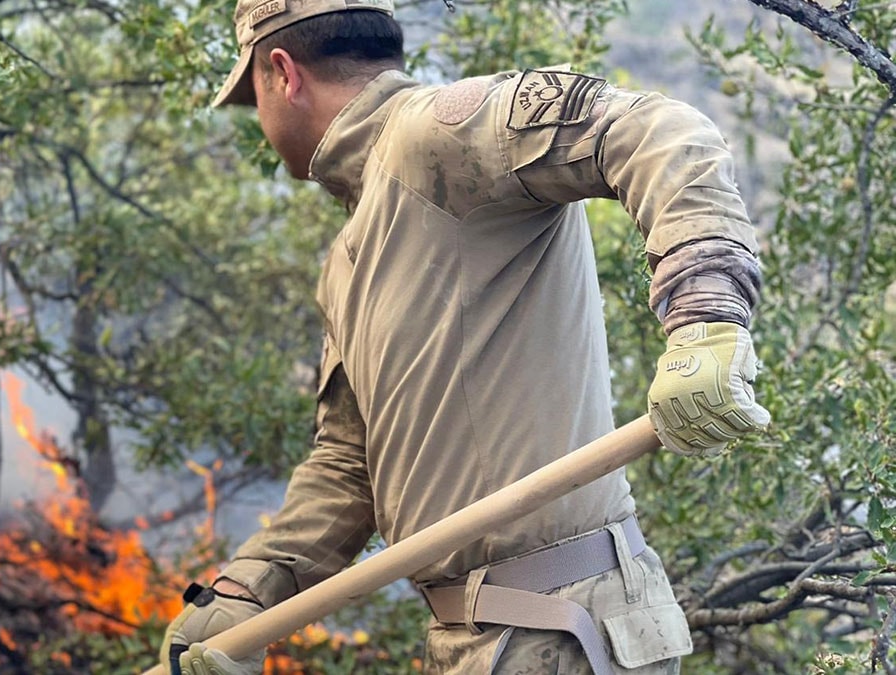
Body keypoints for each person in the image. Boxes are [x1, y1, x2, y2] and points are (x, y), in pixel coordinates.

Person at [160, 1, 771, 673]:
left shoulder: (436, 135)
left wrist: (705, 316)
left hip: (562, 627)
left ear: (282, 73)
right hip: (479, 639)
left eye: (253, 97)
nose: (261, 118)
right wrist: (249, 589)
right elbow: (348, 461)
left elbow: (661, 130)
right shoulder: (348, 263)